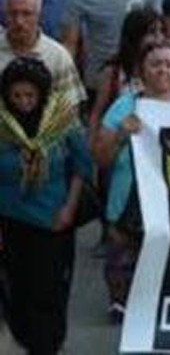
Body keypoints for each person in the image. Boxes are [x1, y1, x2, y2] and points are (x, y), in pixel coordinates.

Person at [0, 58, 92, 355]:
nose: (24, 103)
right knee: (17, 288)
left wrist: (69, 208)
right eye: (16, 96)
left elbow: (81, 167)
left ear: (42, 94)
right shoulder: (2, 125)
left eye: (30, 96)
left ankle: (48, 345)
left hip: (52, 221)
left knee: (48, 290)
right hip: (10, 221)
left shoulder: (62, 120)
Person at [93, 39, 170, 320]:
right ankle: (121, 303)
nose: (163, 70)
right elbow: (100, 158)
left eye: (169, 64)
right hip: (127, 199)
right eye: (156, 64)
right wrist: (121, 134)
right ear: (142, 70)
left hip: (169, 202)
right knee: (121, 260)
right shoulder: (124, 106)